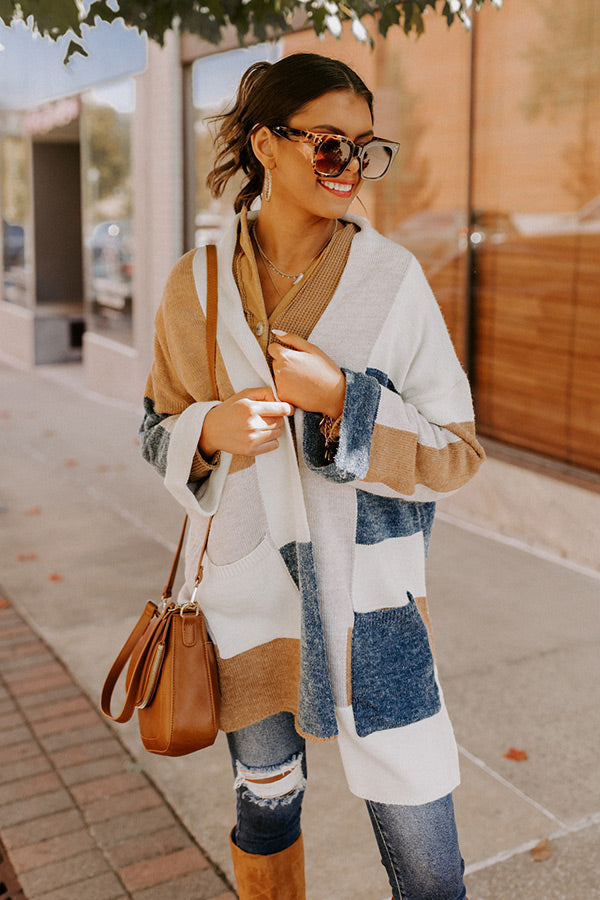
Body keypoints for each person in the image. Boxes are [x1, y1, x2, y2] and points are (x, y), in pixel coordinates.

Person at [140, 52, 484, 900]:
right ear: (266, 142)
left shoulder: (392, 282)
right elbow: (154, 429)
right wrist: (208, 429)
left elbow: (458, 451)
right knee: (267, 810)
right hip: (246, 604)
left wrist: (344, 402)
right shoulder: (198, 285)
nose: (353, 171)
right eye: (332, 146)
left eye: (366, 150)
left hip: (373, 615)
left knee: (431, 869)